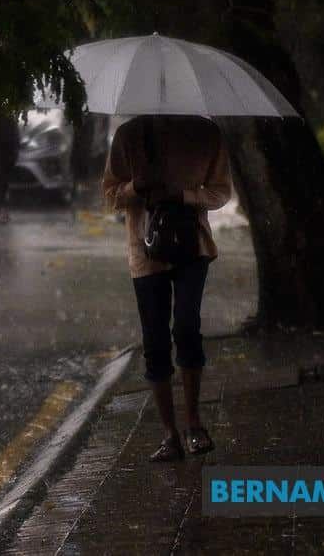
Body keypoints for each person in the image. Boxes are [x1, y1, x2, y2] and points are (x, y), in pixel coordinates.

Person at [101, 115, 232, 461]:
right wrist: (135, 187)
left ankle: (193, 424)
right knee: (155, 341)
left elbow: (221, 191)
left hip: (193, 247)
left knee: (187, 328)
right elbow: (111, 193)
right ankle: (169, 434)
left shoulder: (206, 133)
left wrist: (185, 195)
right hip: (146, 252)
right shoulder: (130, 135)